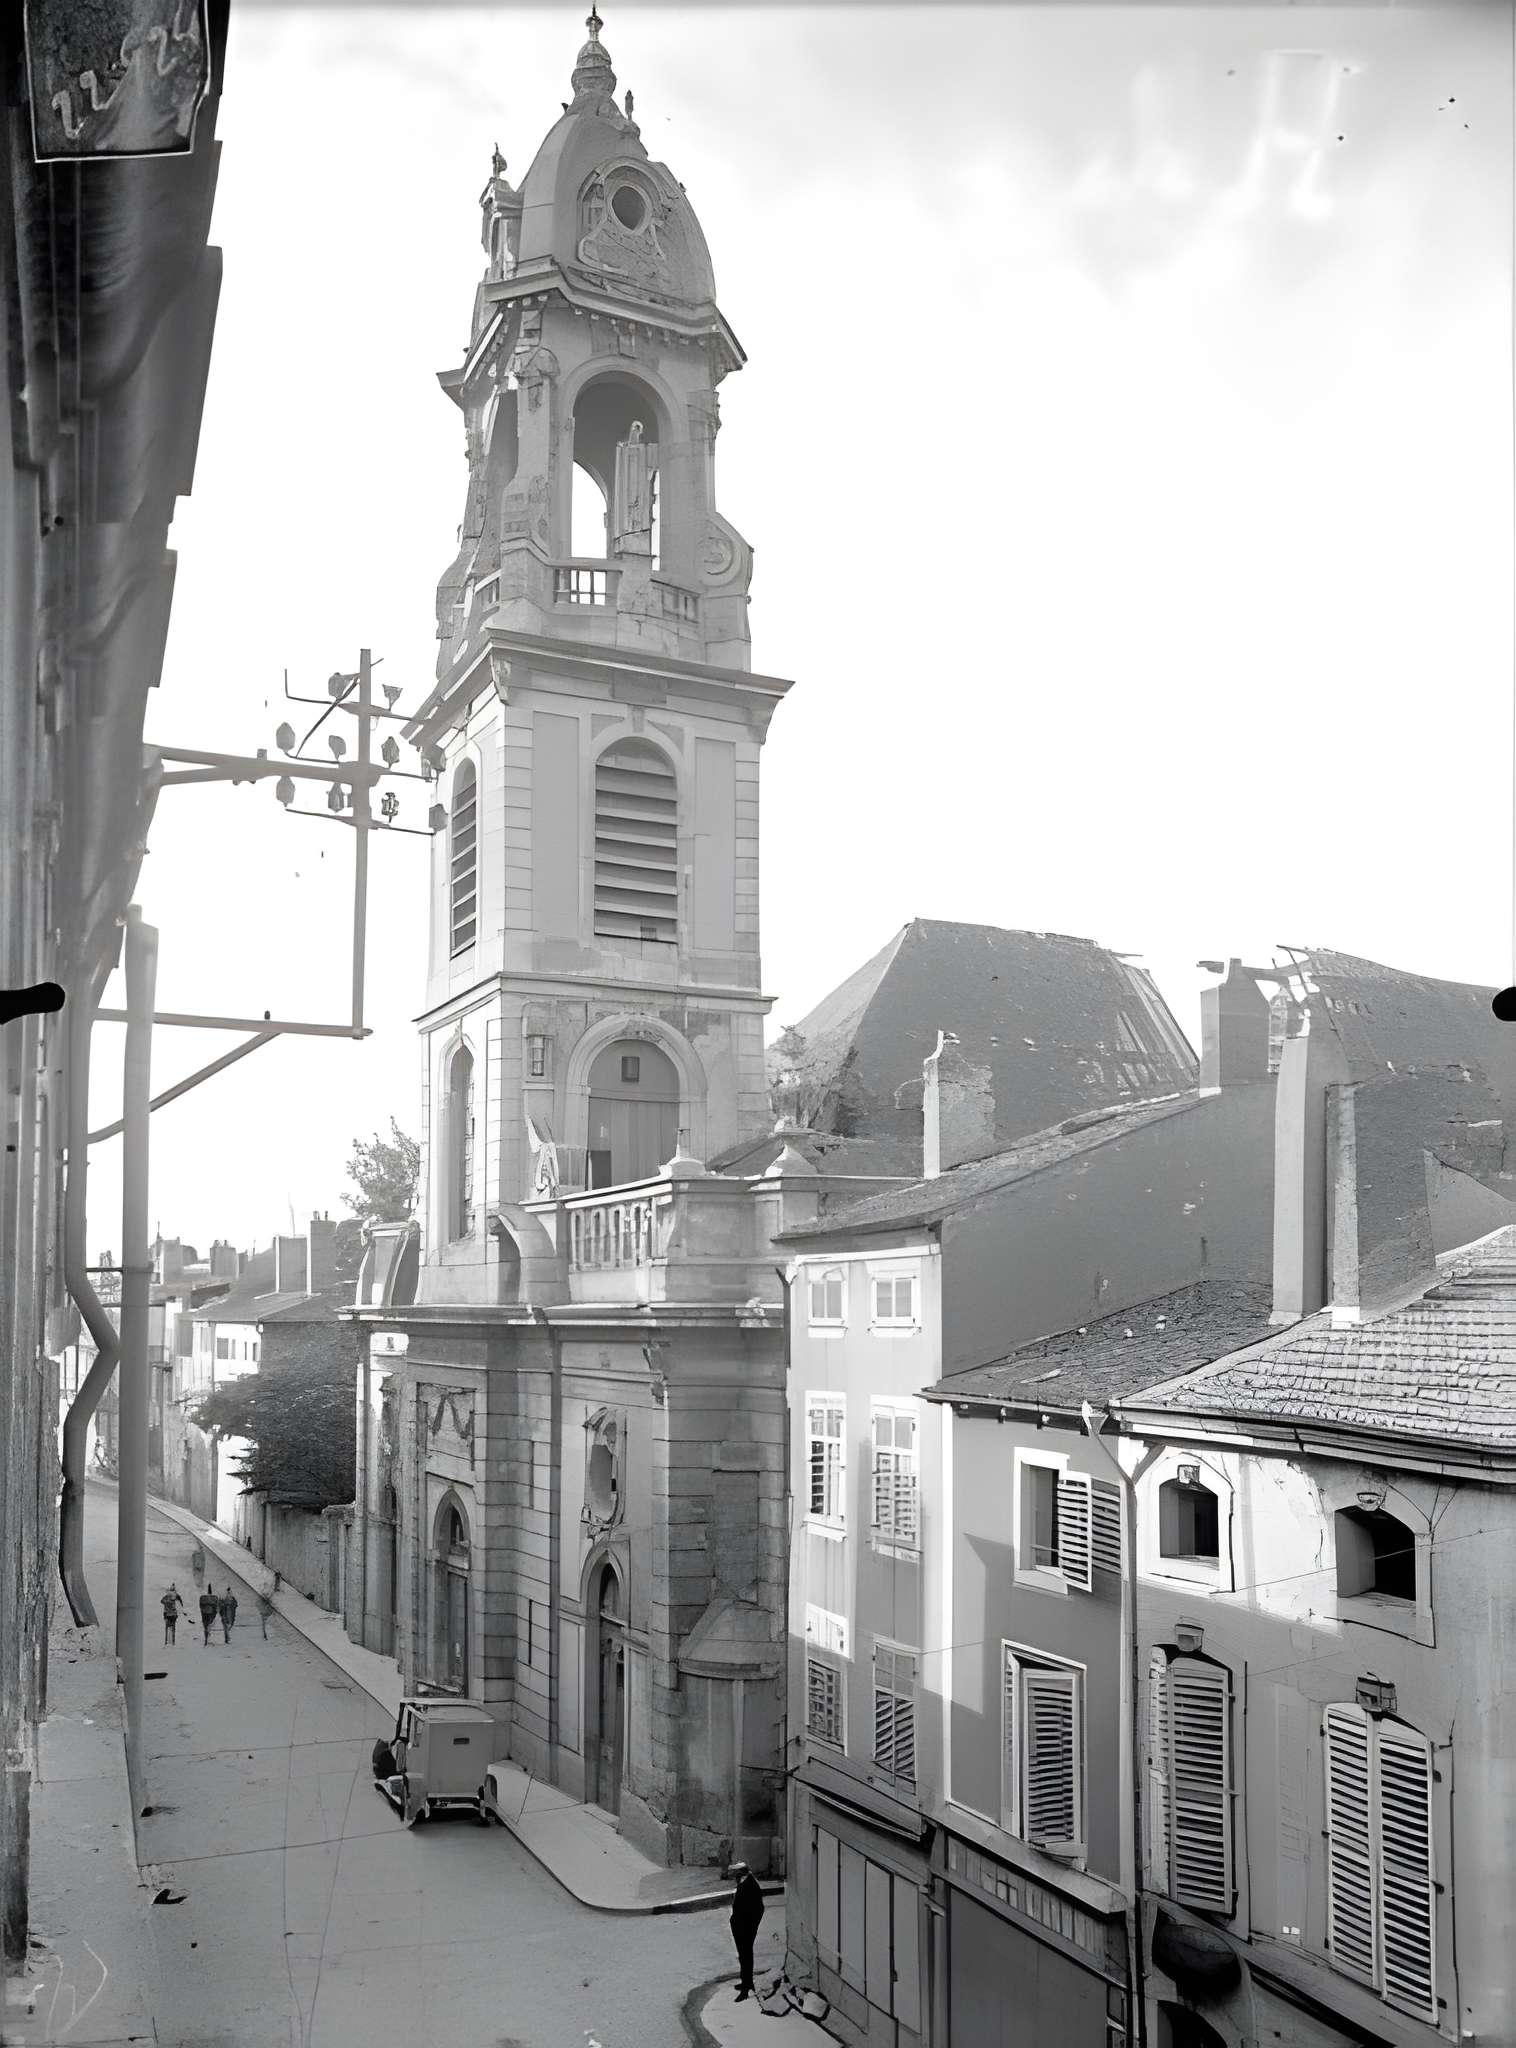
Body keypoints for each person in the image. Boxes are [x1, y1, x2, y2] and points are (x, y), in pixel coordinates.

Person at [728, 1862, 765, 2002]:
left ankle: (745, 1989)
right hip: (741, 1926)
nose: (733, 1878)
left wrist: (749, 1927)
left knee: (745, 1956)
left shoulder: (749, 1885)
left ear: (740, 1874)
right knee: (744, 1956)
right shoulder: (747, 1882)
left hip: (745, 1928)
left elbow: (758, 1910)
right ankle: (746, 1981)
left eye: (734, 1875)